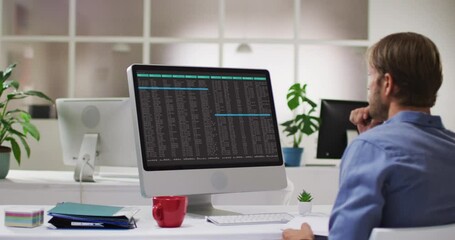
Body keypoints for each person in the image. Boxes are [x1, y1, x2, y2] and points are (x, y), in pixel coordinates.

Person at [282, 32, 455, 240]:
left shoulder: (370, 148)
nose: (369, 86)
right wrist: (373, 138)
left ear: (387, 83)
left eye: (371, 76)